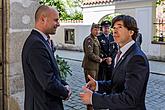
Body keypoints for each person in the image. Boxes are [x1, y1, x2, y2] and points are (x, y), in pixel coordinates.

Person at [80, 15, 150, 110]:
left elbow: (129, 99)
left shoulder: (136, 58)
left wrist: (94, 99)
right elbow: (118, 84)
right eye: (114, 28)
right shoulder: (122, 53)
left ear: (131, 32)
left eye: (120, 27)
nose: (115, 31)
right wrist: (98, 85)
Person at [22, 5, 71, 110]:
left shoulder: (42, 41)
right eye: (56, 20)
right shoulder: (36, 44)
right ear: (43, 19)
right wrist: (65, 92)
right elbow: (48, 82)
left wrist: (64, 84)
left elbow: (51, 71)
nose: (58, 24)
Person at [82, 23, 103, 110]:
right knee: (90, 88)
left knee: (94, 87)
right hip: (90, 66)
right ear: (91, 30)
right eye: (95, 29)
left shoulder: (96, 39)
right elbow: (89, 53)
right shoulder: (89, 39)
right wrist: (99, 59)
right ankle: (89, 107)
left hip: (95, 67)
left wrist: (102, 56)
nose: (97, 31)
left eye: (98, 29)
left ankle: (92, 105)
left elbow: (98, 51)